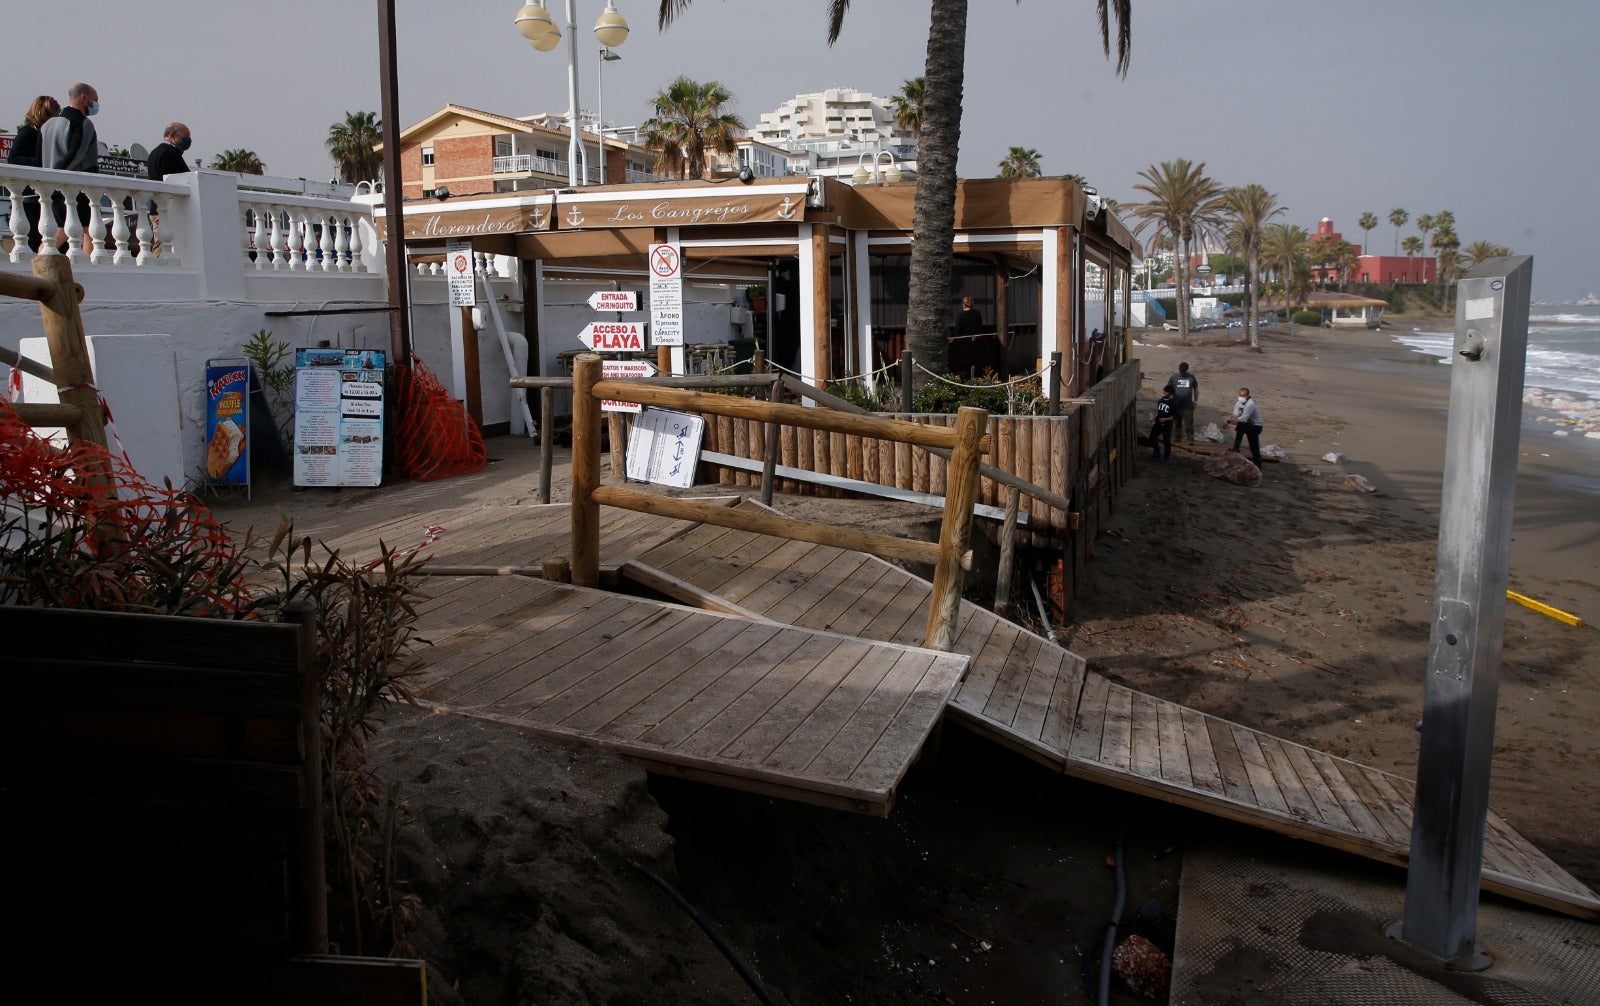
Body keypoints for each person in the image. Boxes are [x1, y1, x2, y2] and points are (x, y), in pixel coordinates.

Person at [39, 82, 100, 252]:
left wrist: (46, 178)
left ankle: (41, 258)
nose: (95, 104)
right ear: (83, 98)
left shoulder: (48, 124)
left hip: (51, 186)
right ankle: (86, 268)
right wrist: (58, 175)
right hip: (75, 186)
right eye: (95, 100)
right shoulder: (83, 123)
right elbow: (76, 154)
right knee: (88, 231)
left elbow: (38, 157)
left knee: (65, 230)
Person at [6, 95, 60, 252]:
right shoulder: (28, 132)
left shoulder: (41, 133)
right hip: (29, 197)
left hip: (38, 196)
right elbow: (13, 158)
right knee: (34, 239)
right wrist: (38, 164)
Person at [144, 122, 192, 255]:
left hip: (158, 207)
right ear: (171, 135)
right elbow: (171, 183)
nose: (188, 140)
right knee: (163, 247)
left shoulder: (156, 153)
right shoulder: (170, 154)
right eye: (185, 136)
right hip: (165, 208)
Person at [1226, 387, 1264, 467]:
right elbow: (1235, 414)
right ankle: (1236, 448)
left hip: (1256, 427)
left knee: (1253, 445)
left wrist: (1231, 421)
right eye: (1240, 395)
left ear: (1247, 396)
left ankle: (1236, 448)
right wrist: (1232, 419)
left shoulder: (1250, 404)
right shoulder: (1238, 403)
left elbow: (1244, 418)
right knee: (1253, 445)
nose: (1241, 398)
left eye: (1243, 396)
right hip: (1247, 425)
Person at [1167, 361, 1199, 443]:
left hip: (1188, 405)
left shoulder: (1191, 377)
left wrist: (1195, 401)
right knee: (1177, 422)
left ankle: (1190, 439)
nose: (1182, 372)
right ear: (1179, 369)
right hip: (1176, 404)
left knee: (1189, 423)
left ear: (1187, 370)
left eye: (1184, 371)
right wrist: (1168, 398)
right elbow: (1168, 388)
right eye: (1181, 371)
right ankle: (1177, 438)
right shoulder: (1174, 377)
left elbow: (1196, 389)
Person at [1150, 384, 1176, 462]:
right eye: (1164, 390)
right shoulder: (1160, 401)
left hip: (1167, 425)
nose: (1163, 392)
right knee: (1152, 437)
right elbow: (1159, 412)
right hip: (1158, 422)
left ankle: (1166, 456)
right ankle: (1157, 452)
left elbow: (1175, 416)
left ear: (1170, 393)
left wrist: (1165, 419)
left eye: (1166, 391)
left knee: (1166, 441)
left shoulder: (1173, 403)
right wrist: (1154, 418)